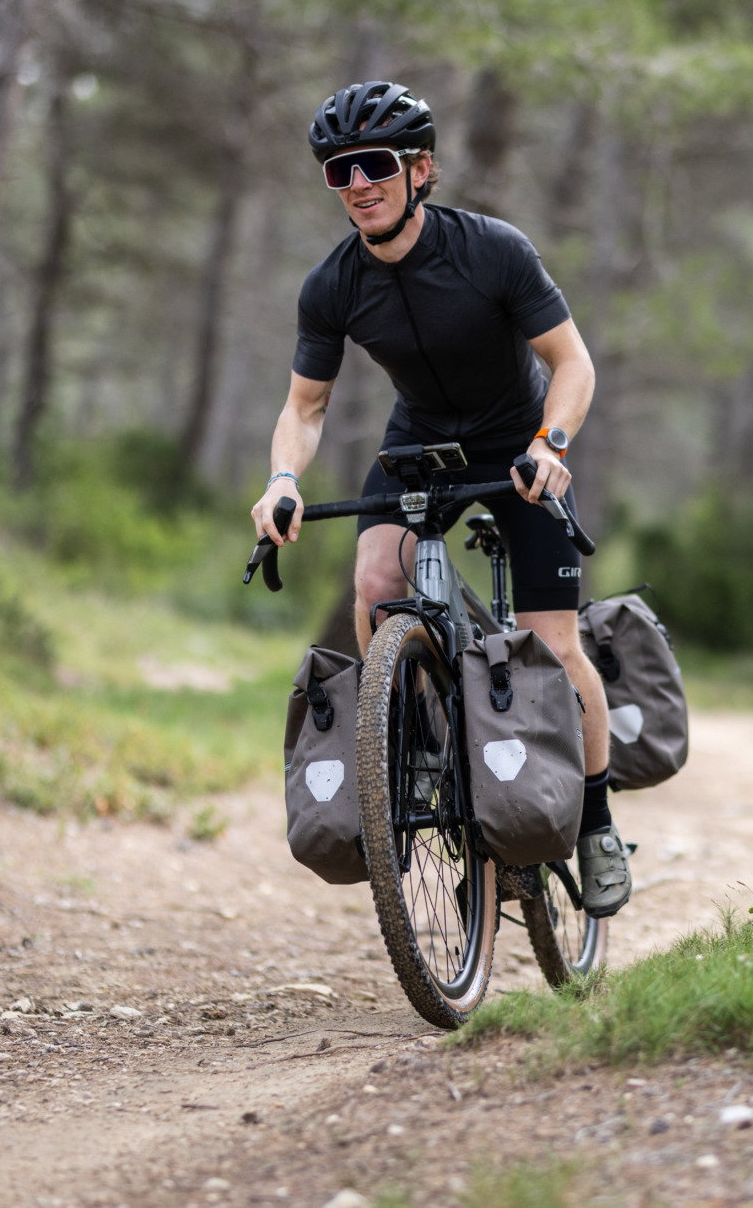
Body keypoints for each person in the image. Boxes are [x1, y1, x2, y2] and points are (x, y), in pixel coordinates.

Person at [248, 81, 630, 917]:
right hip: (416, 442)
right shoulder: (333, 284)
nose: (358, 182)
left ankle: (596, 819)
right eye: (338, 170)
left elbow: (574, 365)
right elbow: (304, 407)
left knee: (557, 647)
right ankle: (412, 738)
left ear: (421, 169)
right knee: (377, 585)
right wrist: (283, 480)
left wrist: (550, 445)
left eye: (375, 164)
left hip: (519, 442)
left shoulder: (493, 250)